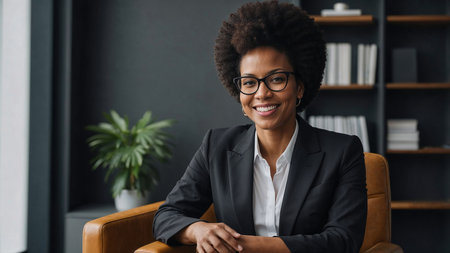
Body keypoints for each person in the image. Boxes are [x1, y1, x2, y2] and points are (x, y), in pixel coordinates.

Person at [153, 1, 367, 252]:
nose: (262, 93)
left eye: (276, 79)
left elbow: (343, 241)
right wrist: (198, 230)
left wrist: (245, 245)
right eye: (250, 82)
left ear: (299, 87)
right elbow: (166, 216)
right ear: (239, 91)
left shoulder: (342, 152)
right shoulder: (217, 147)